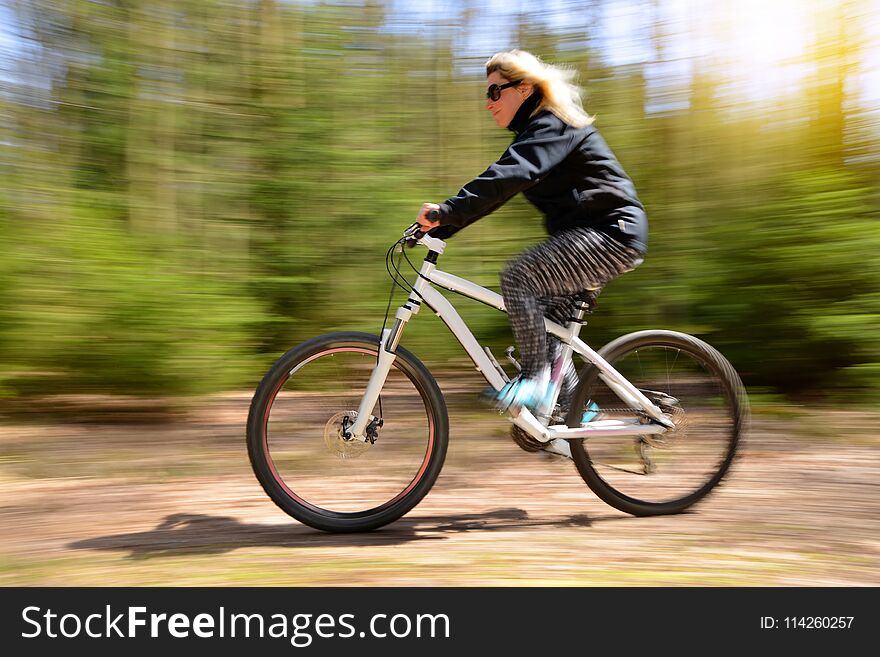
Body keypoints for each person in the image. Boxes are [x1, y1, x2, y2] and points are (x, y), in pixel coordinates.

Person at [416, 49, 647, 415]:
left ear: (523, 89)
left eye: (495, 91)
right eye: (485, 94)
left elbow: (508, 175)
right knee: (549, 328)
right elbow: (499, 192)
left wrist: (448, 210)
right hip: (595, 235)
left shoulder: (554, 124)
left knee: (519, 277)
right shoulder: (534, 135)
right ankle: (574, 411)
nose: (488, 102)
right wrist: (445, 226)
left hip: (611, 233)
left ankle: (536, 380)